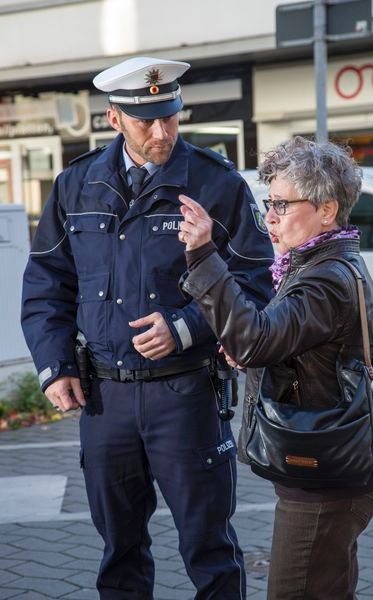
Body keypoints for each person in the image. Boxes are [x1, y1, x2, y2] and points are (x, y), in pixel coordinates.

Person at [21, 56, 274, 599]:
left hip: (184, 396)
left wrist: (184, 327)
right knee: (120, 552)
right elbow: (47, 285)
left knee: (210, 551)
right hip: (104, 400)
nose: (163, 132)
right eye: (147, 121)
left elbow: (256, 285)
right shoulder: (75, 186)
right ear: (115, 119)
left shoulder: (216, 183)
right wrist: (56, 365)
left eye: (171, 117)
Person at [177, 136, 373, 600]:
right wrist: (259, 351)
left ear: (327, 210)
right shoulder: (323, 264)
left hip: (329, 472)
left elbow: (255, 337)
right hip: (341, 458)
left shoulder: (324, 279)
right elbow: (283, 341)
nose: (270, 217)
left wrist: (203, 255)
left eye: (282, 204)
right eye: (268, 202)